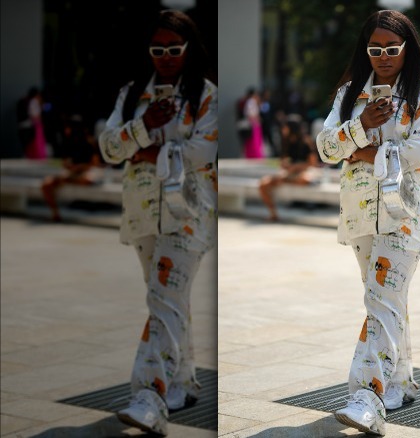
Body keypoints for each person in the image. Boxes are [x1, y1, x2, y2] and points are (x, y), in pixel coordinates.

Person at [316, 9, 420, 436]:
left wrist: (364, 150)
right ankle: (400, 381)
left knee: (380, 299)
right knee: (385, 298)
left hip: (407, 214)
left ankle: (366, 398)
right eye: (375, 49)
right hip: (359, 211)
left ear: (407, 49)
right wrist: (360, 126)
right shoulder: (350, 95)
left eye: (392, 48)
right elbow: (326, 148)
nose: (383, 56)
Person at [98, 10, 217, 436]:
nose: (165, 57)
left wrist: (145, 149)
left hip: (189, 216)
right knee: (167, 300)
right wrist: (144, 126)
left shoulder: (206, 95)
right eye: (157, 49)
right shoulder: (132, 95)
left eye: (174, 48)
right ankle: (182, 384)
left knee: (162, 300)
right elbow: (109, 147)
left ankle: (149, 397)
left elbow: (204, 151)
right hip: (142, 212)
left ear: (189, 49)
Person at [41, 114, 104, 222]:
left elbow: (95, 164)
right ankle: (55, 213)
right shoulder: (68, 142)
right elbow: (65, 162)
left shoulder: (89, 143)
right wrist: (68, 166)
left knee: (86, 179)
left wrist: (78, 167)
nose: (66, 130)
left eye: (68, 127)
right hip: (72, 175)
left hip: (85, 173)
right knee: (46, 184)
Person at [259, 114, 319, 221]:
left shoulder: (306, 142)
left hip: (302, 173)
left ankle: (286, 180)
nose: (283, 129)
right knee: (263, 184)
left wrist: (294, 167)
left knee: (304, 179)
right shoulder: (285, 142)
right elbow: (284, 160)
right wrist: (285, 164)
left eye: (285, 127)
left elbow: (313, 163)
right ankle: (273, 213)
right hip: (289, 174)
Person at [24, 87, 48, 159]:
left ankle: (37, 154)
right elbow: (34, 114)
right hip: (36, 122)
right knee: (37, 139)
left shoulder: (33, 101)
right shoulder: (34, 101)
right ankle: (38, 154)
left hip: (36, 122)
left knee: (38, 139)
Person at [244, 88, 264, 158]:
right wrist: (256, 119)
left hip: (254, 123)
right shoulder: (251, 101)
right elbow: (251, 114)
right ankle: (254, 154)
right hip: (253, 124)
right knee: (253, 140)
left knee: (255, 140)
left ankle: (255, 154)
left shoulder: (253, 101)